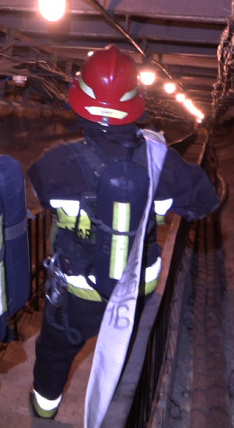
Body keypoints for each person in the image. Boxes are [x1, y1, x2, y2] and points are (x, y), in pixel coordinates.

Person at [26, 45, 220, 420]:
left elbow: (35, 194)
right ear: (137, 102)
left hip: (77, 290)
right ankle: (114, 403)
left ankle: (43, 410)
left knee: (55, 349)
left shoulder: (58, 162)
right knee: (123, 350)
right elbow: (205, 201)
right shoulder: (161, 160)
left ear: (79, 100)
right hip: (135, 289)